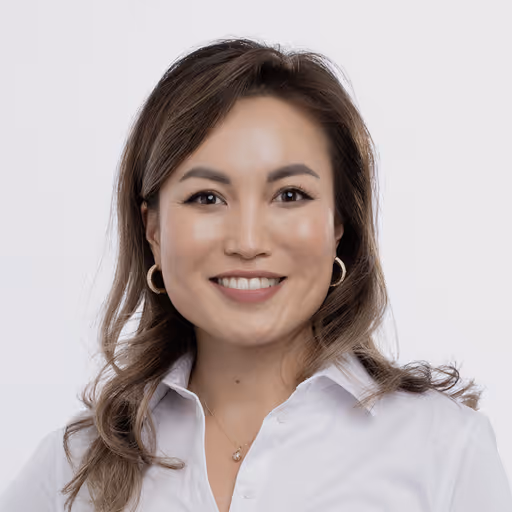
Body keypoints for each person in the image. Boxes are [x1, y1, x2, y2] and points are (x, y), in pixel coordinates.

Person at [1, 37, 511, 512]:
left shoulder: (446, 451)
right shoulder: (73, 467)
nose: (247, 242)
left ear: (339, 223)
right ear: (152, 228)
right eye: (207, 198)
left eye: (290, 195)